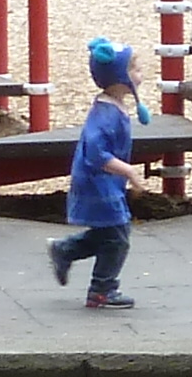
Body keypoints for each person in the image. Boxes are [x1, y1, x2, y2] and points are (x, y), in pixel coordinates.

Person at [48, 39, 146, 306]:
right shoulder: (105, 115)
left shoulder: (114, 107)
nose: (141, 74)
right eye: (136, 69)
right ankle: (102, 289)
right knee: (117, 238)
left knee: (108, 233)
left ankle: (65, 249)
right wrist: (129, 172)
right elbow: (96, 153)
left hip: (105, 182)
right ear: (119, 78)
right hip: (97, 183)